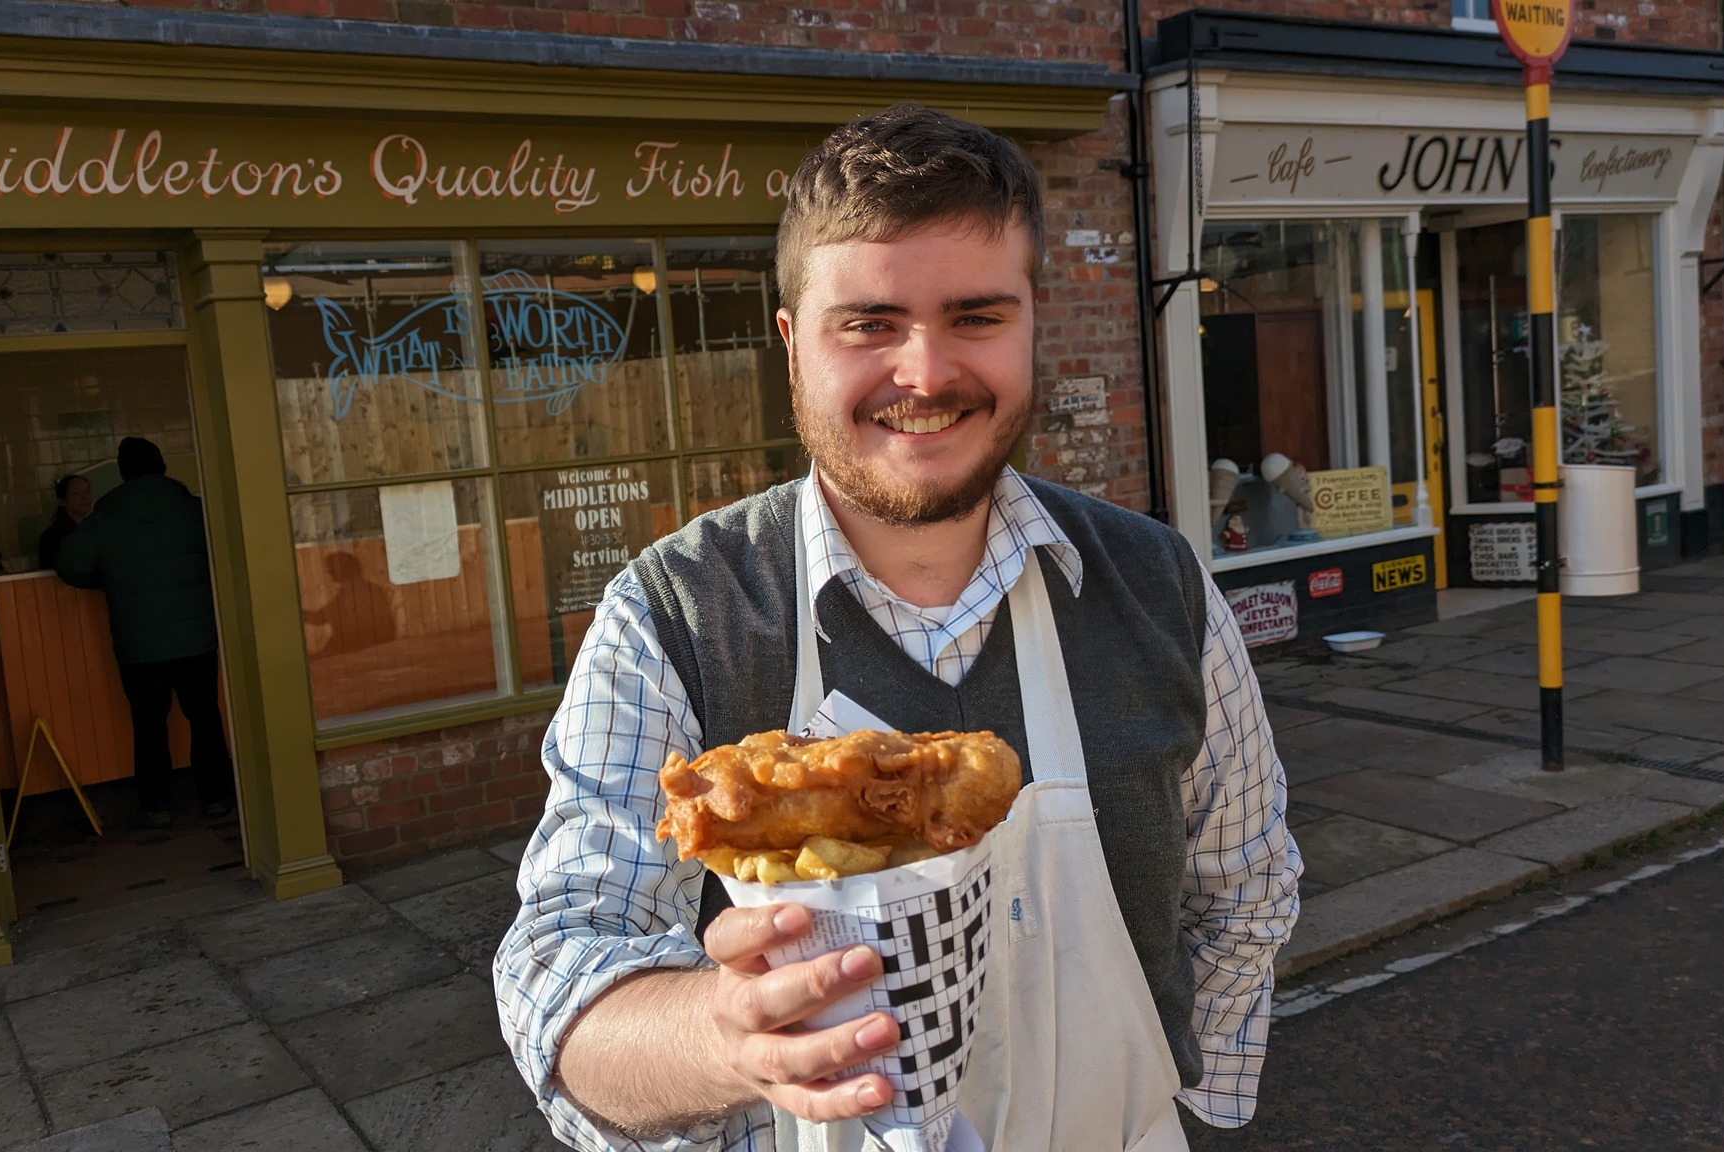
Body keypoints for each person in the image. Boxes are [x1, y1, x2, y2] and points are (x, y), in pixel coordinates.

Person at [494, 103, 1301, 1151]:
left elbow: (1245, 888)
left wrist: (1190, 1096)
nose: (922, 374)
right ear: (791, 343)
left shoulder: (1159, 586)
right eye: (868, 323)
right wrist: (725, 1039)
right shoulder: (676, 614)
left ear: (1030, 321)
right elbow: (559, 969)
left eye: (975, 316)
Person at [55, 437, 235, 829]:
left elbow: (69, 564)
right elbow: (226, 551)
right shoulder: (192, 508)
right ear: (162, 467)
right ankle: (217, 796)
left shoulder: (107, 515)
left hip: (138, 646)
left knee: (149, 724)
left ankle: (156, 805)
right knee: (204, 715)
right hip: (196, 639)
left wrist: (108, 578)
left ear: (123, 472)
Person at [35, 473, 93, 570]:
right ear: (61, 501)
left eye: (87, 492)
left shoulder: (94, 530)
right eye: (76, 493)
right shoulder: (51, 537)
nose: (84, 497)